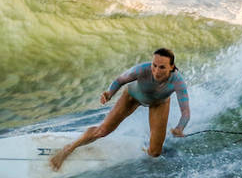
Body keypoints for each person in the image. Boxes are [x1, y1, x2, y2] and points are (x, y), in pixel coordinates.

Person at [49, 48, 190, 171]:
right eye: (154, 65)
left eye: (162, 67)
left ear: (172, 67)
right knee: (102, 131)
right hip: (132, 97)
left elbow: (185, 112)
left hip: (158, 104)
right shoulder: (141, 70)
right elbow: (119, 80)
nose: (156, 71)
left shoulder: (178, 82)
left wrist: (180, 128)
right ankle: (68, 149)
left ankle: (145, 149)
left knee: (155, 152)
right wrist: (109, 93)